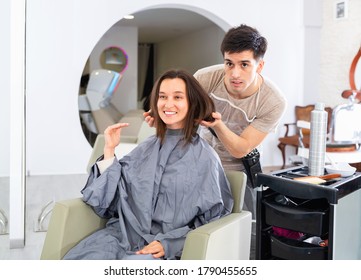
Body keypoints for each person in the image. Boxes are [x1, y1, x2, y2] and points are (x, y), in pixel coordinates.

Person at [63, 69, 233, 260]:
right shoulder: (146, 148)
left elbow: (214, 219)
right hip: (122, 236)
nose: (168, 104)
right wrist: (109, 150)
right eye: (162, 97)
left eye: (178, 97)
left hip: (161, 247)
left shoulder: (206, 157)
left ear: (191, 103)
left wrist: (172, 244)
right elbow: (109, 201)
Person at [145, 24, 286, 221]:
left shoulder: (273, 101)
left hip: (239, 170)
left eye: (244, 65)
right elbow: (181, 109)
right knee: (191, 219)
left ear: (259, 66)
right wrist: (162, 115)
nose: (235, 73)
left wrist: (218, 125)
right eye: (229, 63)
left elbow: (240, 149)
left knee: (241, 224)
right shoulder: (206, 78)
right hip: (199, 161)